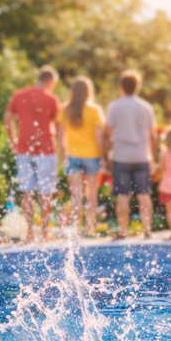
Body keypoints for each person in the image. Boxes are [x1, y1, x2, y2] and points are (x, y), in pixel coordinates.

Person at [4, 65, 62, 242]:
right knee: (46, 193)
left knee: (27, 193)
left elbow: (7, 117)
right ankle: (44, 232)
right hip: (46, 151)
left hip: (24, 150)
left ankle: (29, 232)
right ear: (51, 82)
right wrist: (62, 147)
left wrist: (12, 139)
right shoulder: (52, 98)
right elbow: (59, 127)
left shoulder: (19, 95)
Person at [103, 70, 157, 240]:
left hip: (121, 156)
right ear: (138, 87)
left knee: (122, 194)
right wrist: (153, 158)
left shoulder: (114, 106)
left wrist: (105, 156)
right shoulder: (146, 107)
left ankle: (123, 231)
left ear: (121, 87)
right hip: (142, 156)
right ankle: (148, 230)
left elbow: (106, 133)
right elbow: (153, 136)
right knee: (143, 193)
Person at [56, 76, 105, 237]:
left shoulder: (65, 110)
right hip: (92, 156)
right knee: (91, 194)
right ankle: (89, 229)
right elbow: (99, 136)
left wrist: (64, 156)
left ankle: (76, 230)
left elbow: (61, 136)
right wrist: (103, 156)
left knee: (76, 195)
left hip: (73, 156)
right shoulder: (94, 110)